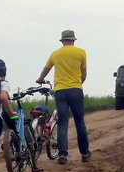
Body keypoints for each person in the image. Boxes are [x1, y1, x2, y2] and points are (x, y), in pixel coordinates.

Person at [37, 29, 90, 164]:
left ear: (62, 41)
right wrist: (77, 84)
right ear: (73, 40)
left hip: (60, 91)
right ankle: (84, 153)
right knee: (79, 122)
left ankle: (62, 154)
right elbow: (83, 74)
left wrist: (40, 79)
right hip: (76, 90)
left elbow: (46, 69)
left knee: (62, 123)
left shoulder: (55, 54)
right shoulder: (81, 52)